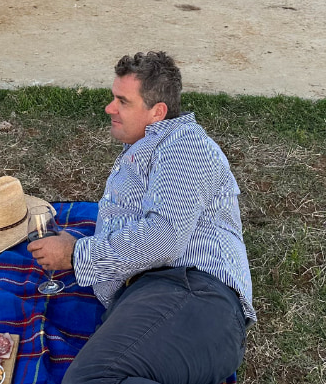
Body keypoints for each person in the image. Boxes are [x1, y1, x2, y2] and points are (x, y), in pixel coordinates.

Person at [28, 51, 254, 384]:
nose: (109, 108)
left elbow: (164, 239)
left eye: (123, 101)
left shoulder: (183, 143)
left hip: (193, 295)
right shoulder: (148, 148)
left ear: (157, 112)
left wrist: (77, 255)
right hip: (159, 298)